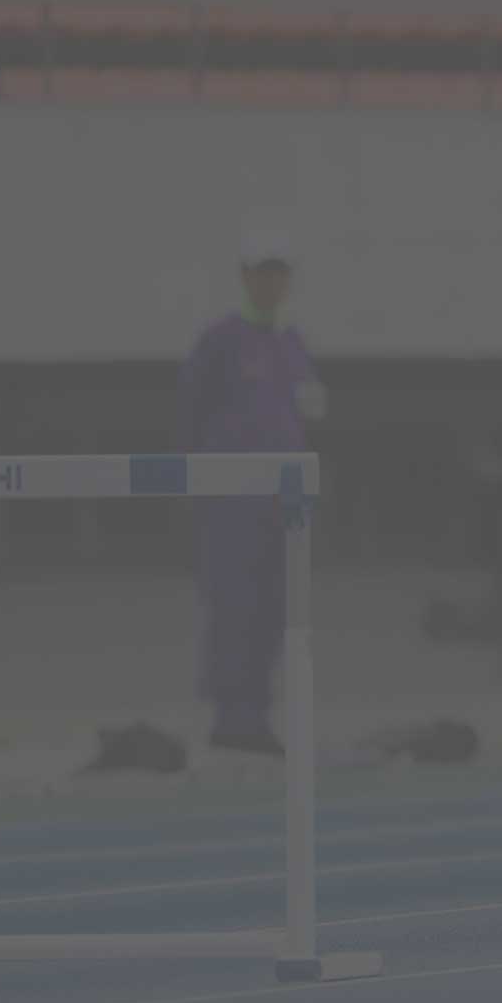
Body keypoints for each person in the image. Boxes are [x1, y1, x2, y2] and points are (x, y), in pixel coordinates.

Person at [176, 233, 324, 756]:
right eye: (262, 271)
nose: (271, 282)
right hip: (231, 504)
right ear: (245, 276)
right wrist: (201, 486)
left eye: (280, 271)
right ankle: (230, 715)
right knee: (232, 605)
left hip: (280, 506)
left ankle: (256, 714)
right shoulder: (220, 340)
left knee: (273, 608)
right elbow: (190, 415)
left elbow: (309, 415)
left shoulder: (293, 343)